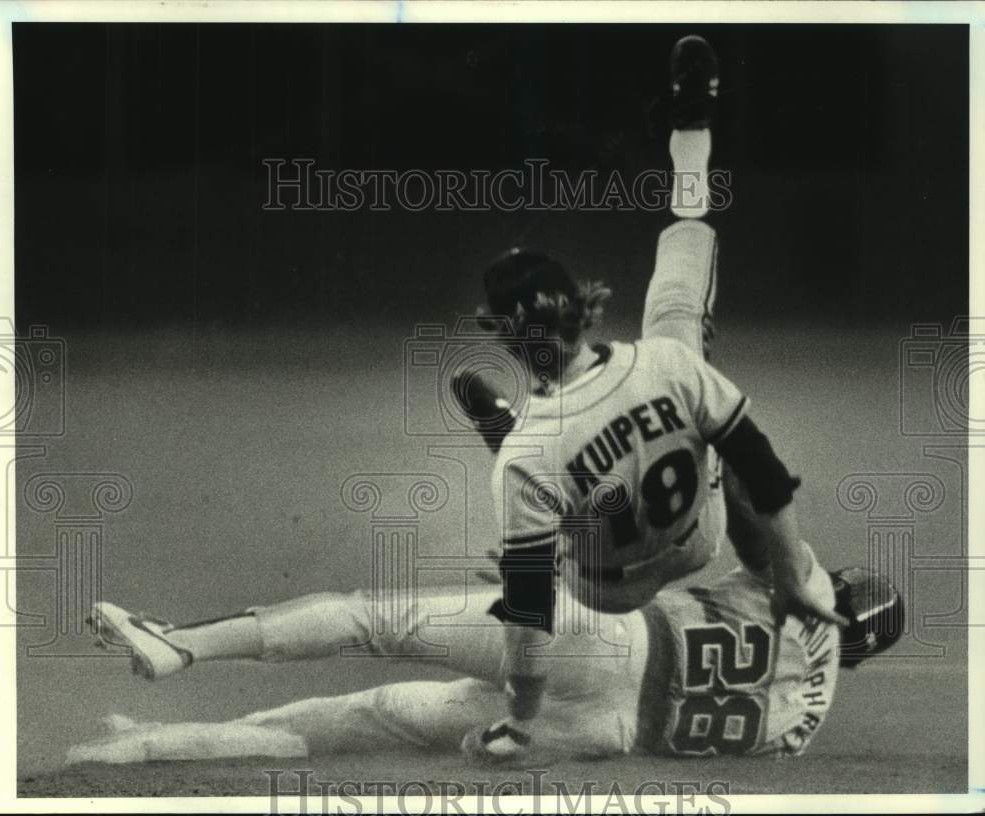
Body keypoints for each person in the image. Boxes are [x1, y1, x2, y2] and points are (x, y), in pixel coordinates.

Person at [461, 35, 845, 759]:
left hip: (599, 580)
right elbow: (764, 467)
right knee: (690, 323)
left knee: (541, 498)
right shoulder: (666, 363)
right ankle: (692, 134)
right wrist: (787, 574)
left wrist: (521, 719)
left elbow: (529, 620)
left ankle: (525, 471)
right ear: (582, 305)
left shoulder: (531, 455)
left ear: (504, 337)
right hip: (696, 531)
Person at [75, 554, 901, 765]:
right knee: (366, 719)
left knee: (376, 619)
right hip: (600, 731)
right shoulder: (801, 731)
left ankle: (179, 644)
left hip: (610, 643)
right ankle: (154, 745)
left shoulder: (805, 587)